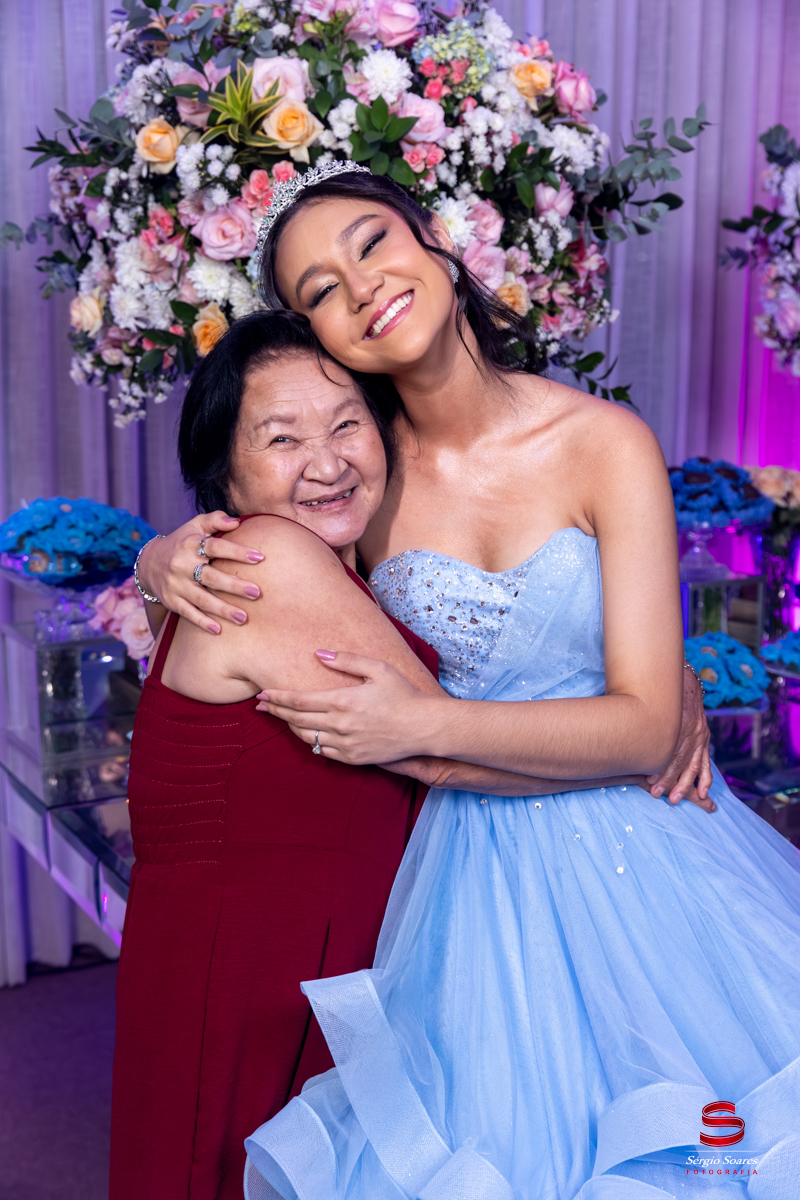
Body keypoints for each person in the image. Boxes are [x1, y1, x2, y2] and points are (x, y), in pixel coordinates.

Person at [141, 166, 800, 1199]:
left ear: (438, 243)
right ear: (322, 335)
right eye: (321, 289)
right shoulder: (354, 478)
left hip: (648, 847)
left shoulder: (603, 442)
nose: (361, 286)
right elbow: (250, 618)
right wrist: (156, 564)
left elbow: (641, 727)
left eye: (371, 243)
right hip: (458, 870)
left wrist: (430, 722)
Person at [112, 308, 645, 1200]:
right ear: (224, 475)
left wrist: (150, 561)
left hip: (307, 956)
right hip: (249, 968)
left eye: (346, 423)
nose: (326, 463)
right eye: (282, 438)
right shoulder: (272, 557)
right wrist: (639, 736)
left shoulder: (336, 566)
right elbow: (440, 742)